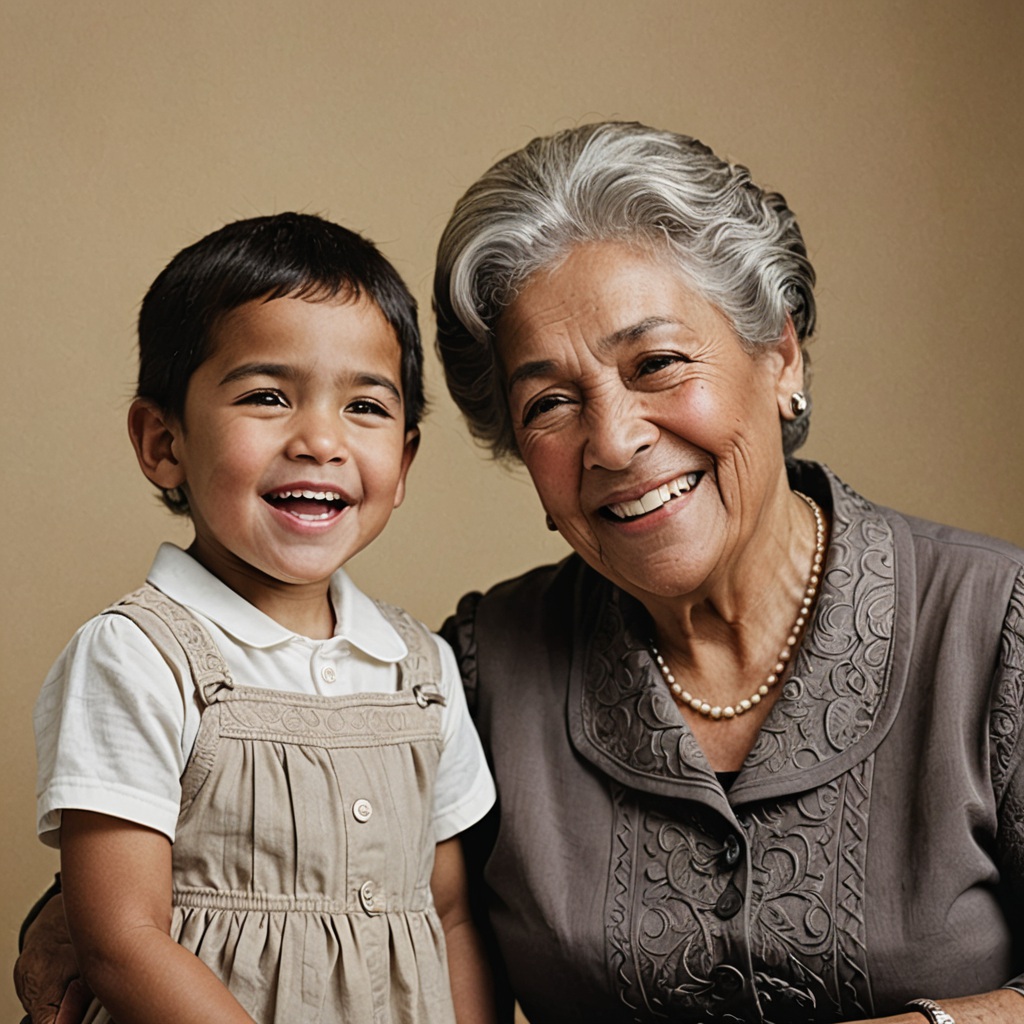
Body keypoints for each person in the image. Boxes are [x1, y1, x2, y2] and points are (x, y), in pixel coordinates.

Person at [430, 123, 1024, 1023]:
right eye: (549, 402)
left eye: (658, 363)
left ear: (780, 357)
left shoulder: (999, 626)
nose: (616, 440)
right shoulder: (476, 674)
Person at [23, 213, 496, 1024]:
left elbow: (450, 913)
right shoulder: (137, 657)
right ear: (162, 441)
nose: (320, 439)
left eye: (366, 408)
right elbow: (121, 939)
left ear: (405, 460)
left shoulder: (420, 671)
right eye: (268, 396)